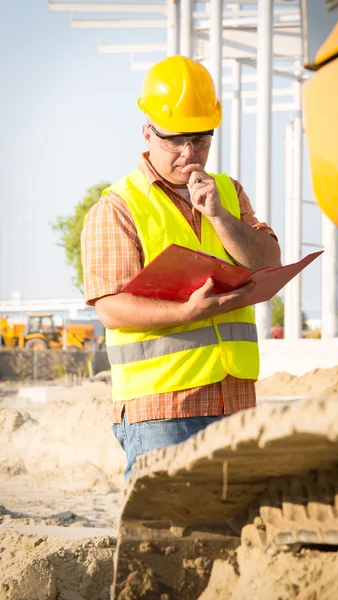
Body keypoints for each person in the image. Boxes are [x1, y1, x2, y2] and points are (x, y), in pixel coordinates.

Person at [81, 55, 281, 480]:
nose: (190, 154)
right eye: (175, 140)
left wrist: (221, 218)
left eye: (201, 139)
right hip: (162, 411)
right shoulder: (117, 208)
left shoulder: (227, 191)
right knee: (166, 535)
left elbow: (269, 263)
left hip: (235, 401)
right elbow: (111, 308)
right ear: (148, 132)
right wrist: (186, 314)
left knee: (233, 533)